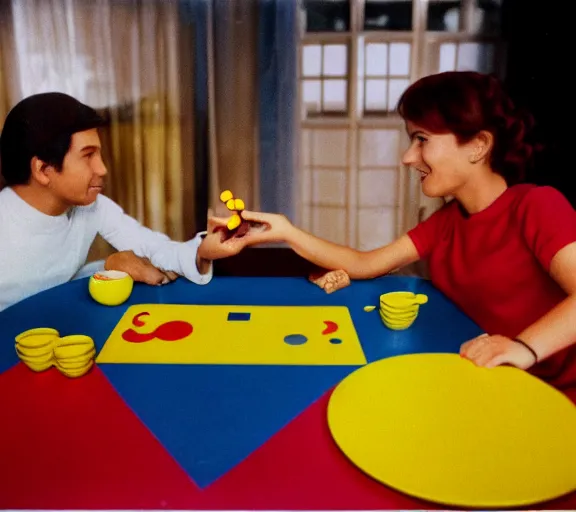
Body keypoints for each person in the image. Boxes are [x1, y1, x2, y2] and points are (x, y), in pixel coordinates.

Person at [238, 71, 576, 400]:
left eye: (422, 139)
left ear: (478, 146)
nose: (407, 157)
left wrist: (523, 348)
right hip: (490, 386)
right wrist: (285, 231)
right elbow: (365, 263)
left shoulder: (537, 205)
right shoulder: (447, 221)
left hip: (555, 398)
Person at [0, 92, 257, 312]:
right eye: (88, 156)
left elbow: (154, 248)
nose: (102, 169)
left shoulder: (92, 207)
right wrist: (105, 265)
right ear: (43, 170)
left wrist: (203, 250)